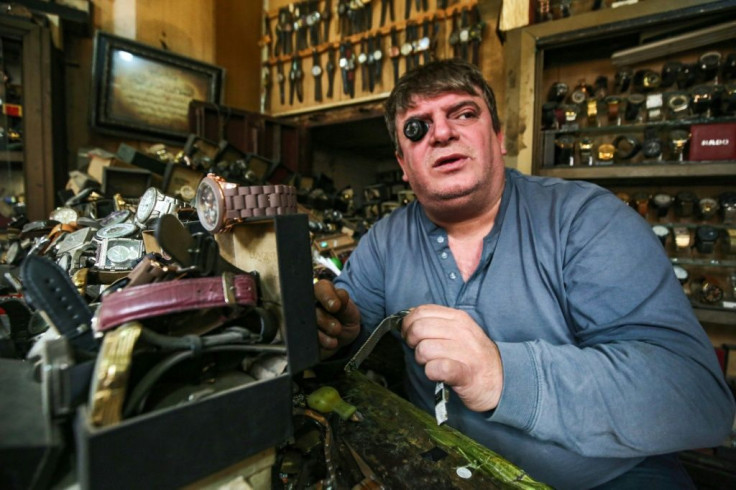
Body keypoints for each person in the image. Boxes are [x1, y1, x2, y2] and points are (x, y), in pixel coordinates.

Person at [313, 59, 735, 489]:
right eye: (417, 128)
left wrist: (503, 375)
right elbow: (346, 333)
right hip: (451, 474)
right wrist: (338, 335)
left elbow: (697, 399)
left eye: (463, 113)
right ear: (403, 164)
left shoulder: (585, 221)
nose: (441, 133)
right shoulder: (385, 241)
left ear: (499, 139)